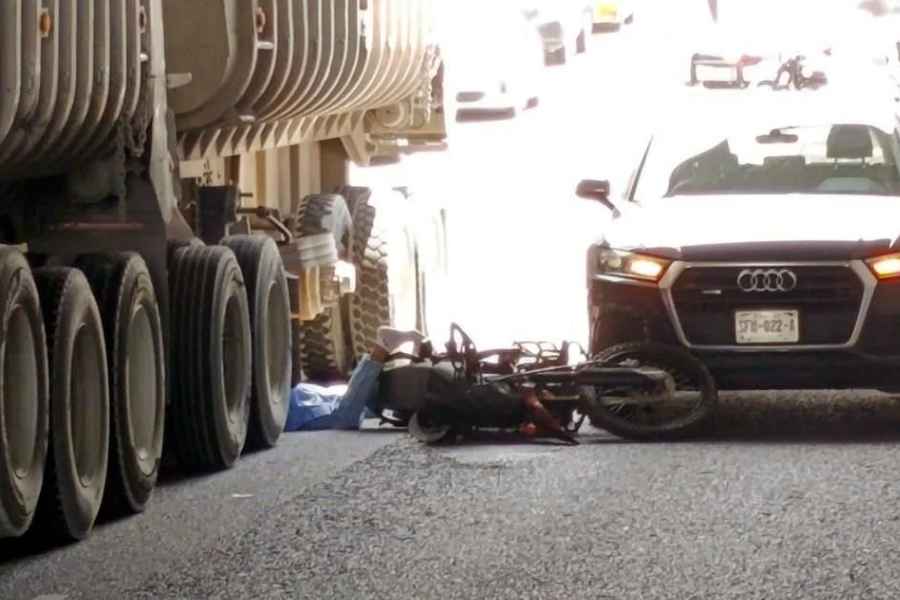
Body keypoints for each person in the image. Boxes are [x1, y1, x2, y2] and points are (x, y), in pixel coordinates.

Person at [285, 327, 578, 444]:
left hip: (300, 408)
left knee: (344, 420)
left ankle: (381, 347)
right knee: (355, 410)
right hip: (325, 398)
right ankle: (389, 356)